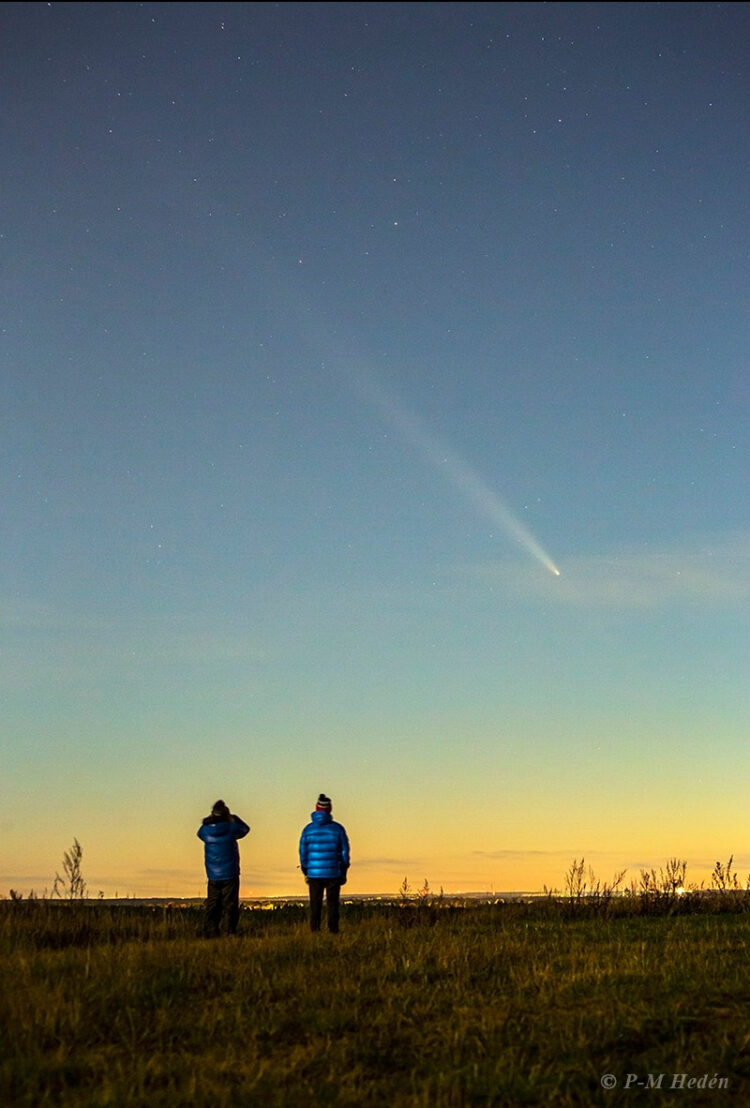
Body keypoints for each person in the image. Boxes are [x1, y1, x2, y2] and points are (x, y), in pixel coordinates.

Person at [197, 799, 250, 937]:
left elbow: (199, 834)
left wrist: (209, 821)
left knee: (213, 904)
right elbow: (245, 829)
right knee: (230, 905)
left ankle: (210, 931)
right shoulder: (231, 828)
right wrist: (234, 818)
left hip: (213, 874)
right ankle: (229, 931)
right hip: (230, 872)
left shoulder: (205, 830)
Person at [298, 793, 350, 933]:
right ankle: (333, 930)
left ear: (316, 808)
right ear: (330, 809)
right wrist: (344, 867)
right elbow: (345, 851)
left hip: (314, 873)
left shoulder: (308, 830)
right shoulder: (338, 829)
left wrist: (305, 867)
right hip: (333, 871)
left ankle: (315, 930)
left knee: (315, 903)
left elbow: (303, 851)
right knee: (332, 904)